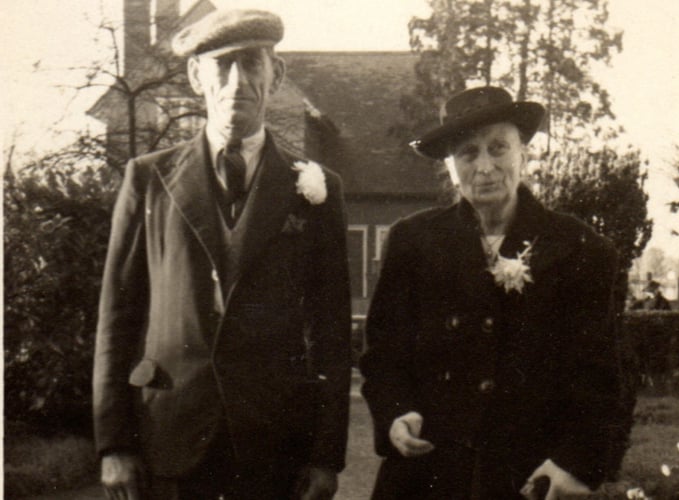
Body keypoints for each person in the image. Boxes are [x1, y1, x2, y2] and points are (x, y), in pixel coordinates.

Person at [92, 9, 351, 500]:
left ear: (275, 75)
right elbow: (118, 317)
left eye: (252, 63)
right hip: (168, 439)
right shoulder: (148, 179)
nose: (238, 81)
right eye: (222, 65)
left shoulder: (316, 189)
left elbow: (331, 330)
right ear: (195, 76)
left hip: (275, 448)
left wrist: (324, 455)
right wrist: (113, 445)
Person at [360, 86, 632, 499]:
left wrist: (576, 464)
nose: (484, 166)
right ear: (451, 168)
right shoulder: (412, 242)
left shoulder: (580, 249)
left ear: (523, 153)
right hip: (426, 474)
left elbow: (603, 377)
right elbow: (383, 355)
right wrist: (397, 414)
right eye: (468, 153)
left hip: (528, 476)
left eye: (498, 148)